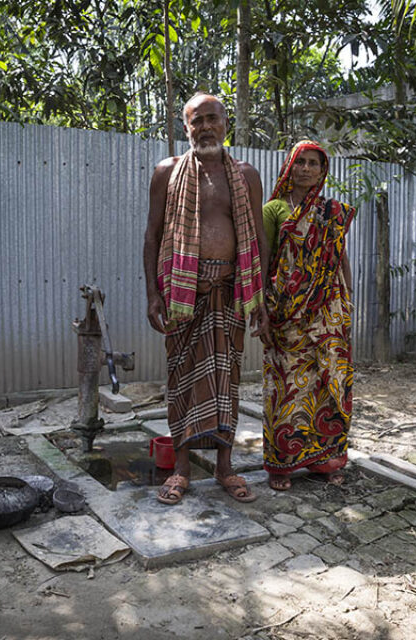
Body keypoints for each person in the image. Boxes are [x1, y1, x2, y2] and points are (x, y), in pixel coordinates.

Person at [142, 93, 271, 506]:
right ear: (186, 128)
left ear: (226, 124)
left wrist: (261, 297)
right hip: (182, 294)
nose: (205, 127)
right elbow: (153, 235)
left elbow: (258, 239)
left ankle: (225, 467)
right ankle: (181, 470)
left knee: (225, 382)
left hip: (230, 293)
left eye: (212, 119)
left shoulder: (246, 175)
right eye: (197, 121)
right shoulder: (168, 172)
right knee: (181, 380)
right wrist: (151, 294)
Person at [261, 140, 355, 491]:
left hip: (329, 312)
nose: (306, 169)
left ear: (322, 170)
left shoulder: (331, 211)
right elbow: (266, 263)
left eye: (314, 163)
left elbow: (340, 259)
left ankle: (324, 460)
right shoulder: (273, 209)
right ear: (289, 165)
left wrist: (347, 303)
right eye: (301, 162)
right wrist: (264, 314)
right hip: (287, 313)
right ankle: (281, 464)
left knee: (329, 384)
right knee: (285, 388)